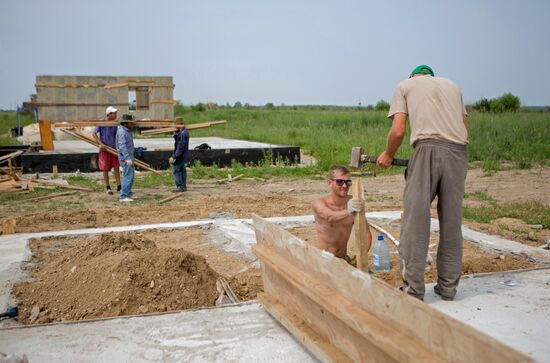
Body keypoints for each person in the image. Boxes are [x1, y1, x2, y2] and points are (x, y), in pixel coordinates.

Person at [377, 65, 468, 301]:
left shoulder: (405, 86)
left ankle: (413, 290)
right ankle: (448, 288)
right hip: (458, 153)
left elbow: (398, 131)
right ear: (431, 76)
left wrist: (387, 154)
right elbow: (464, 128)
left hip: (426, 147)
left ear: (412, 76)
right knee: (451, 220)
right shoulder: (453, 87)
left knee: (415, 220)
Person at [312, 165, 372, 262]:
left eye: (348, 182)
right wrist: (348, 211)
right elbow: (330, 216)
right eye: (340, 182)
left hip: (343, 260)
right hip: (323, 260)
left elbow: (366, 234)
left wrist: (358, 259)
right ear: (329, 183)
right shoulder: (319, 203)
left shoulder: (354, 202)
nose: (344, 186)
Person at [93, 106, 121, 195]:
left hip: (113, 149)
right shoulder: (102, 122)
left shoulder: (114, 124)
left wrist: (118, 146)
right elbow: (94, 134)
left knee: (116, 167)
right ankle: (107, 187)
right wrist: (100, 144)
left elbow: (116, 135)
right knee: (105, 169)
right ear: (109, 114)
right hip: (104, 149)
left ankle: (119, 186)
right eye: (114, 113)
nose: (116, 114)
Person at [116, 114, 136, 202]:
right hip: (125, 157)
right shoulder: (122, 132)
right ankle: (123, 196)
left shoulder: (126, 130)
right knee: (127, 176)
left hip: (129, 155)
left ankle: (127, 194)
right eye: (130, 122)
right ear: (126, 123)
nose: (132, 124)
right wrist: (127, 158)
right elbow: (122, 146)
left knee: (130, 175)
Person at [168, 127, 189, 192]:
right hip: (183, 156)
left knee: (176, 171)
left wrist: (174, 156)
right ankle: (183, 186)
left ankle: (180, 187)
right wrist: (176, 136)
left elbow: (180, 147)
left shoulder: (182, 134)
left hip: (179, 156)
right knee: (182, 171)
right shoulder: (184, 132)